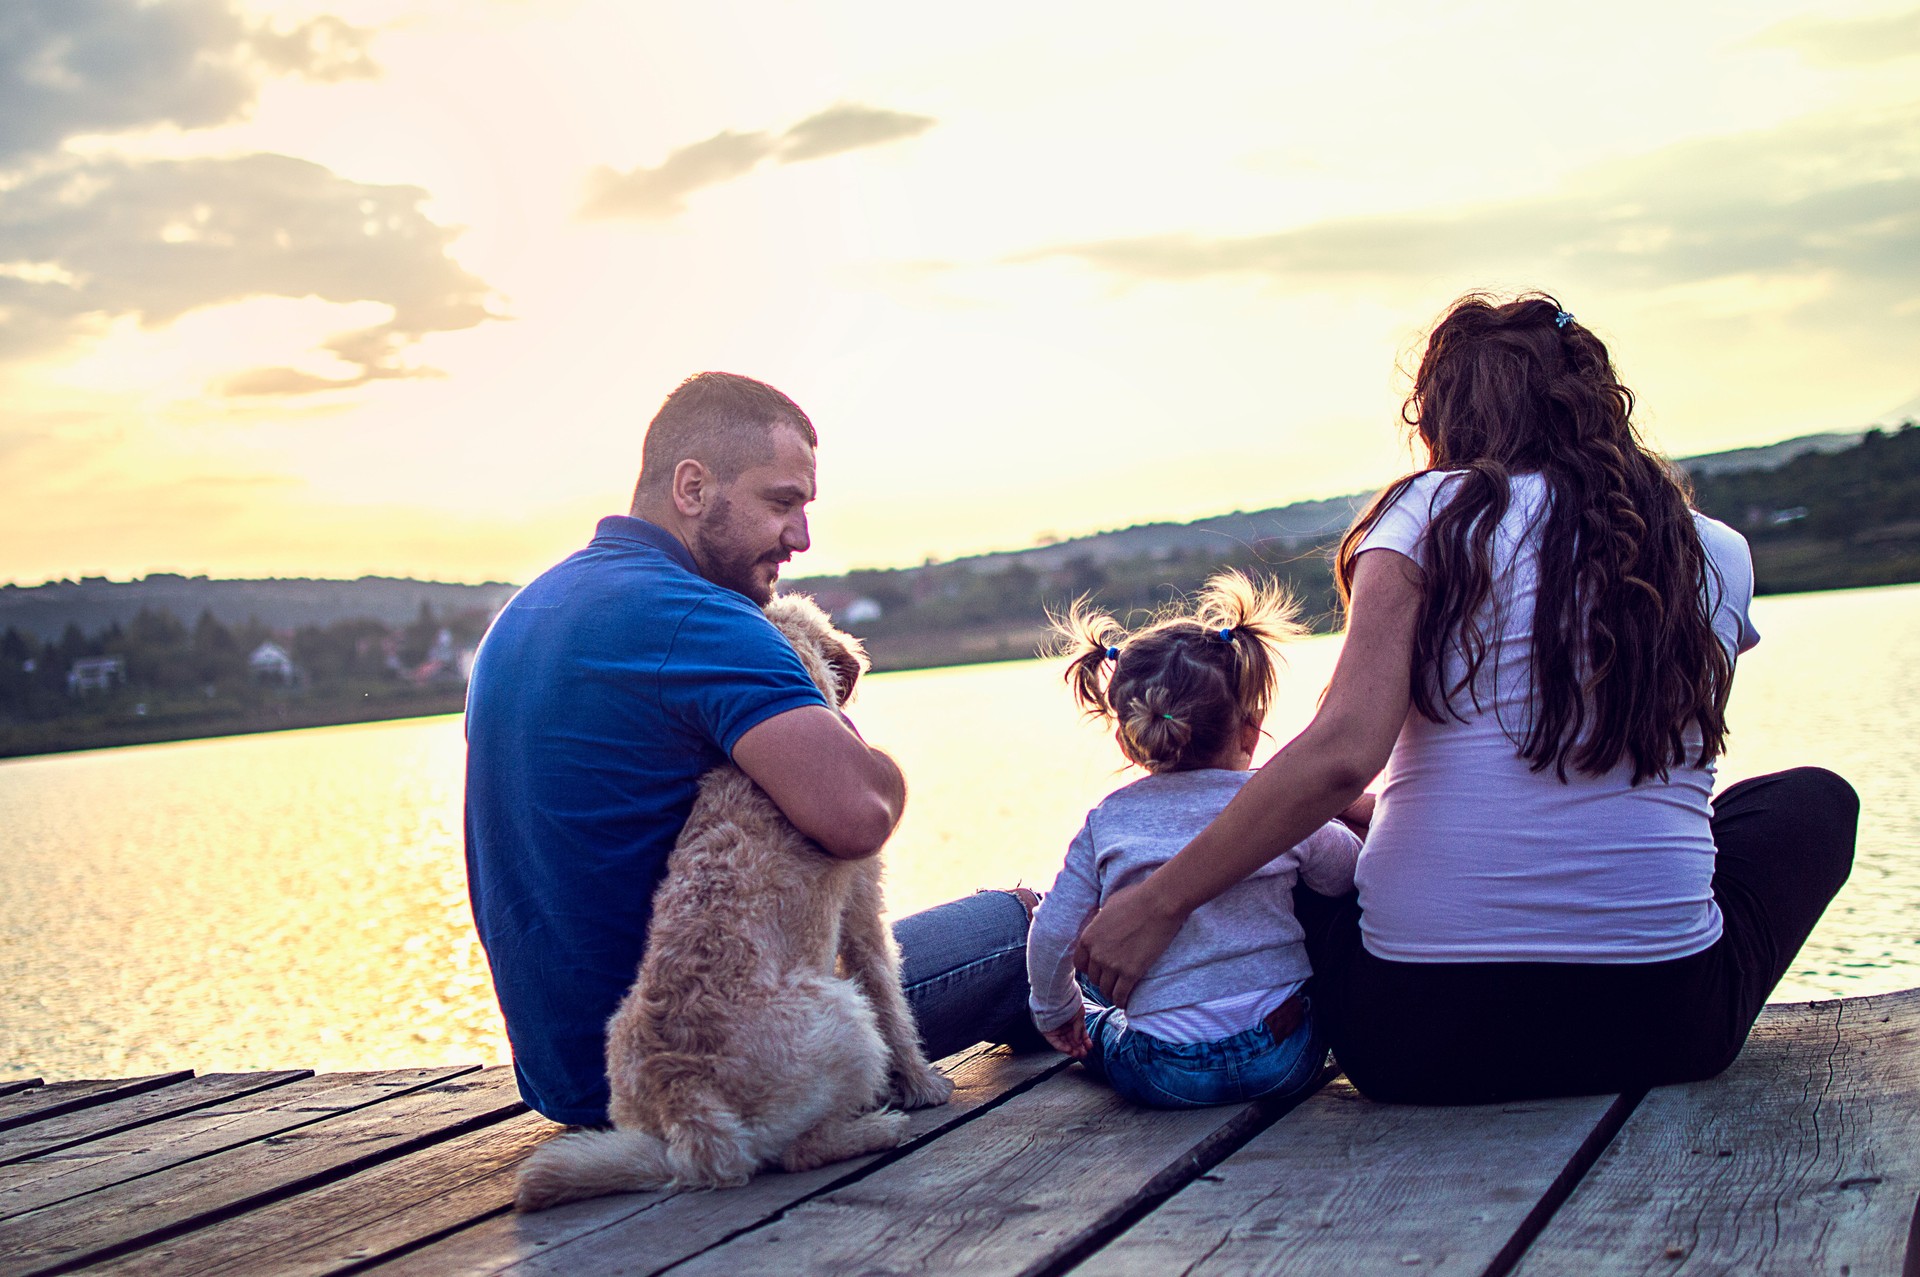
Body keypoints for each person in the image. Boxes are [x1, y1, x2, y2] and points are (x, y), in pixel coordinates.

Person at [1073, 294, 1858, 1104]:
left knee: (1295, 852)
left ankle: (1193, 1020)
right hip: (1667, 1024)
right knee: (1814, 801)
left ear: (1445, 416)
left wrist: (1159, 902)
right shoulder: (1713, 548)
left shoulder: (1424, 516)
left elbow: (1341, 754)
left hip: (1413, 1041)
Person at [465, 371, 1036, 1128]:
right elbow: (857, 814)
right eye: (781, 502)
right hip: (717, 1068)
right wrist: (876, 762)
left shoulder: (523, 613)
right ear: (693, 487)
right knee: (1020, 921)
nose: (800, 538)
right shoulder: (703, 618)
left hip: (568, 1077)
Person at [1026, 573, 1362, 1109]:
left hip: (1165, 1068)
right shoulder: (1273, 805)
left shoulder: (1107, 820)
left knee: (1094, 1014)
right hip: (1288, 1054)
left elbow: (1053, 934)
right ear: (1250, 729)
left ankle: (1074, 1023)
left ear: (1127, 739)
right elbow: (1345, 872)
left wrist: (1054, 1010)